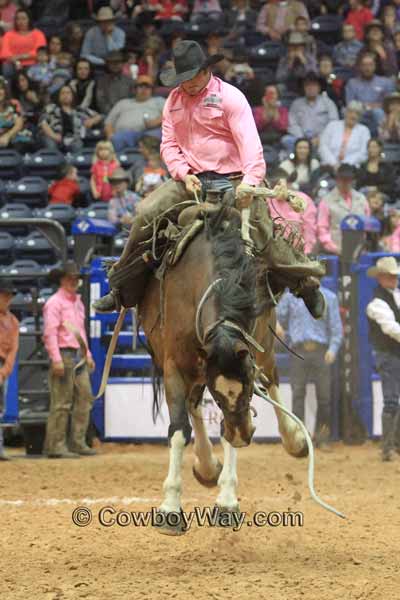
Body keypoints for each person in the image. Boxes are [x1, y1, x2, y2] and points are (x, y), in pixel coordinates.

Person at [93, 41, 326, 318]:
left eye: (190, 78)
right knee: (145, 213)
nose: (186, 85)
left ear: (205, 71)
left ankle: (305, 283)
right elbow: (168, 144)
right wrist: (183, 173)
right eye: (181, 79)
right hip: (190, 180)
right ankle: (121, 287)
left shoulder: (231, 97)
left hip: (235, 178)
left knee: (262, 231)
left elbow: (251, 147)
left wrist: (250, 182)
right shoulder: (174, 100)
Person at [276, 285, 343, 449]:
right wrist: (277, 324)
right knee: (298, 394)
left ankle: (322, 437)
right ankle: (301, 437)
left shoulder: (329, 297)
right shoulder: (290, 298)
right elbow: (277, 316)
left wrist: (332, 349)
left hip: (321, 351)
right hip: (298, 349)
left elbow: (336, 328)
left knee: (324, 397)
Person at [43, 261, 96, 459]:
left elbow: (80, 332)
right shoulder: (54, 303)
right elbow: (50, 333)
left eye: (75, 278)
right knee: (62, 403)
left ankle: (77, 442)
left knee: (85, 398)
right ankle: (56, 445)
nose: (74, 281)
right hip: (64, 355)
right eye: (70, 278)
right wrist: (56, 359)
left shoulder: (77, 302)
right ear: (63, 279)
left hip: (77, 356)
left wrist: (87, 354)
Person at [366, 256, 400, 461]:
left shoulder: (392, 297)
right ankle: (387, 447)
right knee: (391, 401)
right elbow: (390, 328)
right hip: (387, 355)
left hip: (393, 354)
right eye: (390, 276)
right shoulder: (376, 303)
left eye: (395, 276)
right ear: (380, 278)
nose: (394, 279)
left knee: (393, 401)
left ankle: (393, 444)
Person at [317, 163, 369, 255]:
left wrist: (363, 245)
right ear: (337, 179)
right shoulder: (326, 201)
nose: (346, 182)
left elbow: (367, 224)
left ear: (353, 180)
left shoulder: (361, 199)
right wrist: (333, 248)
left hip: (359, 251)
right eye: (343, 179)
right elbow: (322, 228)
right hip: (335, 251)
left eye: (348, 179)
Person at [105, 75, 165, 152]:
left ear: (152, 90)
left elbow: (171, 115)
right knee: (115, 139)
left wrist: (156, 122)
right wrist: (111, 136)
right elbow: (108, 123)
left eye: (147, 87)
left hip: (150, 133)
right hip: (125, 134)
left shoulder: (159, 101)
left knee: (154, 137)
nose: (144, 89)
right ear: (134, 89)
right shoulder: (123, 103)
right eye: (141, 86)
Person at [266, 169, 317, 254]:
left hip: (299, 253)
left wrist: (307, 252)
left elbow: (309, 229)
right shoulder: (266, 201)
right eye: (274, 185)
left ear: (289, 184)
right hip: (271, 254)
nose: (278, 188)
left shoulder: (303, 200)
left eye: (280, 184)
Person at [285, 72, 339, 152]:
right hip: (301, 138)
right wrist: (302, 138)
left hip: (323, 138)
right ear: (303, 88)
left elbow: (334, 123)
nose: (310, 88)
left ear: (319, 87)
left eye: (314, 85)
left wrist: (320, 138)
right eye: (307, 85)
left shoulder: (328, 103)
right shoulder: (296, 104)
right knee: (285, 140)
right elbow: (292, 124)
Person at [39, 84, 102, 153]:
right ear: (58, 96)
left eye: (68, 93)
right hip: (53, 136)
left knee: (78, 145)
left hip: (74, 138)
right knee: (50, 144)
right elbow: (43, 123)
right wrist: (54, 136)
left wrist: (92, 120)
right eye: (63, 93)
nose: (65, 95)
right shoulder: (51, 108)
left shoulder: (79, 109)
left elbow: (100, 116)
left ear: (72, 96)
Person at [345, 52, 395, 135]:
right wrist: (369, 106)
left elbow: (390, 104)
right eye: (364, 65)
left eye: (370, 65)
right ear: (360, 67)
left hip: (380, 116)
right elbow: (350, 103)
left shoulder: (385, 82)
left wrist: (373, 106)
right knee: (347, 112)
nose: (367, 68)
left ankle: (384, 138)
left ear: (375, 66)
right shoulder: (352, 83)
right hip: (359, 114)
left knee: (378, 112)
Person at [319, 101, 371, 168]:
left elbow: (363, 153)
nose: (353, 116)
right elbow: (323, 146)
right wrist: (334, 163)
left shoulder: (364, 130)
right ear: (345, 113)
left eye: (357, 113)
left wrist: (344, 165)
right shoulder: (332, 125)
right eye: (350, 112)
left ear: (360, 117)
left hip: (352, 167)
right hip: (329, 165)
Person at [0, 280, 19, 461]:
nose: (7, 299)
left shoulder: (13, 321)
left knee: (1, 408)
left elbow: (13, 348)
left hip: (3, 365)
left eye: (9, 296)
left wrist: (5, 370)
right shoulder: (12, 321)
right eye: (4, 296)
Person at [1, 9, 46, 78]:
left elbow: (39, 52)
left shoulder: (38, 34)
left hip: (33, 64)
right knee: (6, 67)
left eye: (23, 18)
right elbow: (5, 52)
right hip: (13, 64)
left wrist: (20, 57)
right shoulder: (8, 34)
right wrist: (16, 61)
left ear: (29, 20)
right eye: (18, 19)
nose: (20, 22)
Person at [96, 51, 136, 116]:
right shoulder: (102, 81)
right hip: (108, 115)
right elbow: (101, 102)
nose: (115, 65)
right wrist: (113, 114)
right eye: (112, 63)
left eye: (118, 62)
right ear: (108, 64)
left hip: (127, 114)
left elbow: (133, 99)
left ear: (123, 64)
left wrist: (125, 113)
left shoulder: (130, 80)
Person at [0, 78, 33, 152]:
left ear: (5, 91)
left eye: (1, 89)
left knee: (18, 146)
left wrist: (7, 136)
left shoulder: (13, 104)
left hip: (17, 137)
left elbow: (19, 124)